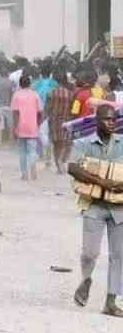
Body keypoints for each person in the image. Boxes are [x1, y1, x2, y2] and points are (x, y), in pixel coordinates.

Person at [69, 104, 123, 318]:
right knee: (90, 253)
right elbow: (72, 168)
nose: (111, 122)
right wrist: (102, 181)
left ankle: (111, 301)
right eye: (107, 119)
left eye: (114, 119)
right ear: (97, 120)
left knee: (118, 256)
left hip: (119, 208)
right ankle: (86, 279)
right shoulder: (83, 143)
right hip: (94, 205)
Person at [11, 76, 42, 181]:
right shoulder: (35, 95)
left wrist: (14, 128)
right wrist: (38, 124)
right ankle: (33, 171)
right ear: (30, 83)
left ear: (20, 84)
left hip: (20, 127)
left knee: (22, 152)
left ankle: (24, 174)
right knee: (32, 151)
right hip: (32, 127)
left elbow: (15, 113)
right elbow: (40, 112)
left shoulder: (16, 95)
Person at [47, 69, 74, 174]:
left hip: (54, 121)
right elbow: (72, 109)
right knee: (64, 143)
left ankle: (58, 167)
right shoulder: (70, 94)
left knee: (56, 145)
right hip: (66, 121)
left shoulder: (51, 93)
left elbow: (48, 109)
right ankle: (61, 162)